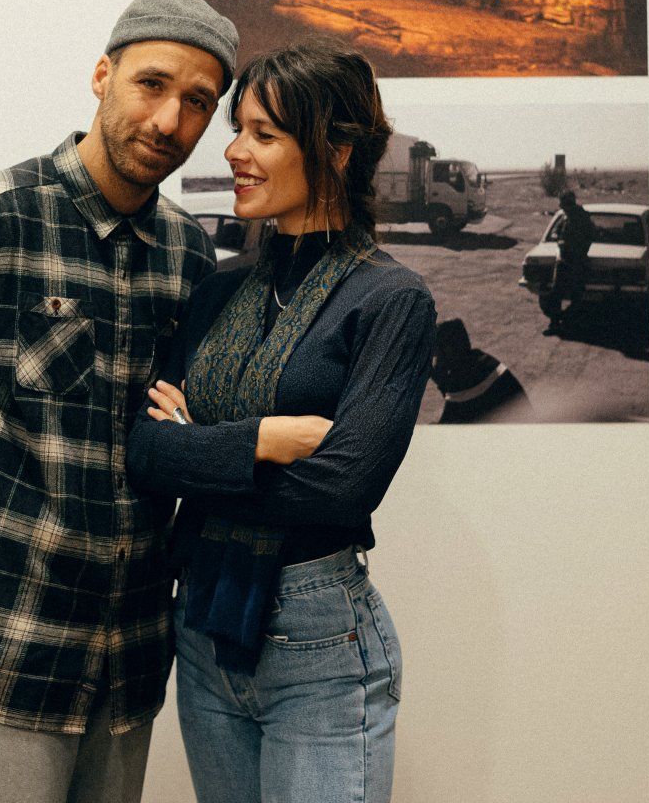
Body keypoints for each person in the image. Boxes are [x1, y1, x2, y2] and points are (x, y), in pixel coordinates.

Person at [0, 0, 239, 803]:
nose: (169, 121)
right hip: (3, 642)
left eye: (197, 103)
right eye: (152, 85)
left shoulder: (189, 253)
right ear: (103, 76)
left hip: (130, 654)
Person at [127, 41, 435, 803]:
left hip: (319, 639)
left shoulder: (390, 300)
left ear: (337, 149)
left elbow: (341, 490)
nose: (234, 151)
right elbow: (144, 451)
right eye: (238, 130)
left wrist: (198, 450)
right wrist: (264, 441)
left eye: (263, 135)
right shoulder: (218, 289)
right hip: (203, 627)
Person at [429, 317, 534, 423]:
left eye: (438, 352)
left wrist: (442, 383)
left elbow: (450, 421)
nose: (436, 358)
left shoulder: (462, 382)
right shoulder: (483, 360)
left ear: (448, 351)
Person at [543, 190, 595, 330]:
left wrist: (573, 246)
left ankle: (569, 323)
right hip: (564, 260)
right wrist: (558, 238)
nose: (561, 206)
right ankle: (555, 324)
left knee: (576, 295)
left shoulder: (582, 218)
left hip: (577, 261)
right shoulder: (566, 217)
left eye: (563, 203)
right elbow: (556, 231)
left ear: (568, 203)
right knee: (556, 293)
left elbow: (590, 237)